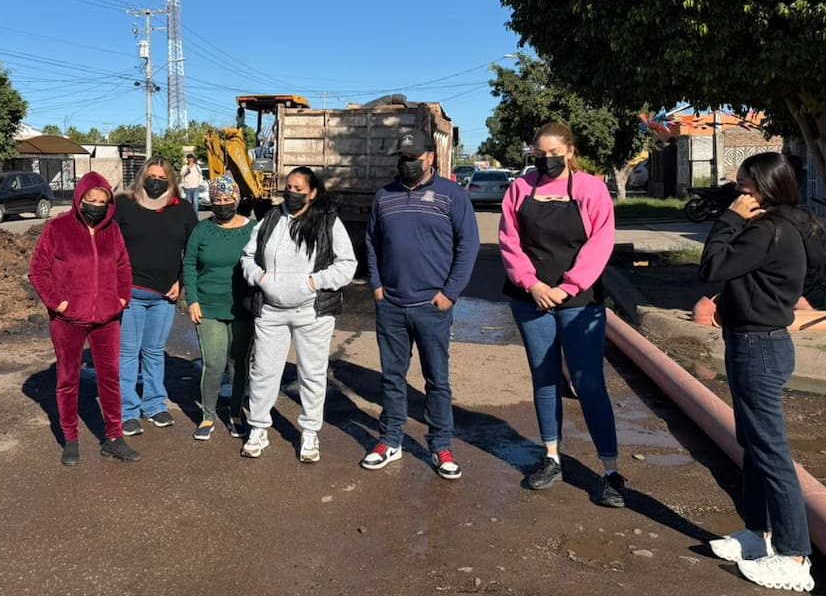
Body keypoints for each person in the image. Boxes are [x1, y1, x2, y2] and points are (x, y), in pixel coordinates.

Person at [699, 152, 824, 592]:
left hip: (757, 346)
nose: (739, 195)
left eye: (744, 187)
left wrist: (729, 220)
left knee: (770, 451)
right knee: (751, 441)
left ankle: (793, 557)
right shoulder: (796, 224)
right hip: (762, 340)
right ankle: (757, 533)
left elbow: (711, 265)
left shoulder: (767, 230)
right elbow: (810, 272)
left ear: (765, 189)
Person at [498, 123, 625, 507]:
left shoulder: (590, 188)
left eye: (554, 152)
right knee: (545, 378)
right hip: (530, 298)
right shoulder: (520, 189)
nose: (547, 159)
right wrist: (532, 284)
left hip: (579, 300)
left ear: (570, 151)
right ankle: (551, 457)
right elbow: (509, 240)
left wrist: (566, 287)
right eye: (540, 153)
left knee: (589, 384)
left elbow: (601, 242)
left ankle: (610, 470)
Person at [361, 128, 479, 480]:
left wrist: (449, 293)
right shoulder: (384, 196)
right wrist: (378, 286)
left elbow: (468, 246)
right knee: (392, 378)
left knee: (437, 380)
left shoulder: (452, 196)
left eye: (412, 158)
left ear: (429, 157)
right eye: (402, 157)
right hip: (392, 305)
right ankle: (391, 440)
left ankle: (441, 445)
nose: (406, 163)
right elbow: (371, 242)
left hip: (432, 305)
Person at [239, 166, 356, 463]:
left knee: (312, 375)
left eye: (298, 188)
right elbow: (247, 257)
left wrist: (314, 282)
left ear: (313, 192)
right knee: (264, 372)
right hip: (271, 312)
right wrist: (260, 279)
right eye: (288, 187)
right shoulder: (271, 218)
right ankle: (258, 428)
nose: (291, 192)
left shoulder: (328, 221)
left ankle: (309, 434)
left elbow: (347, 264)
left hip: (312, 313)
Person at [28, 172, 140, 465]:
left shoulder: (112, 230)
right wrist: (57, 303)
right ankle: (70, 438)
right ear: (80, 199)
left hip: (106, 319)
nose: (97, 206)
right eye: (91, 200)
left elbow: (123, 266)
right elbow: (38, 271)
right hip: (68, 321)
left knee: (110, 378)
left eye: (103, 202)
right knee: (67, 379)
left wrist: (121, 299)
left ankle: (114, 438)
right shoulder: (58, 228)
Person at [114, 157, 199, 435]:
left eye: (162, 179)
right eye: (151, 176)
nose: (156, 182)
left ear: (171, 181)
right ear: (142, 177)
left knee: (153, 352)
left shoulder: (183, 210)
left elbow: (193, 250)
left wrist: (182, 283)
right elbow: (108, 245)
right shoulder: (124, 205)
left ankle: (153, 404)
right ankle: (127, 410)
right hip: (131, 295)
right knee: (128, 353)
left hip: (165, 296)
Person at [183, 174, 257, 441]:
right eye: (217, 199)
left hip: (243, 307)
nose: (222, 204)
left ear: (236, 199)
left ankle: (236, 413)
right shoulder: (202, 230)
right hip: (208, 306)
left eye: (227, 199)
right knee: (214, 363)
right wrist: (192, 299)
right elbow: (189, 264)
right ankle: (208, 415)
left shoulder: (253, 229)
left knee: (238, 363)